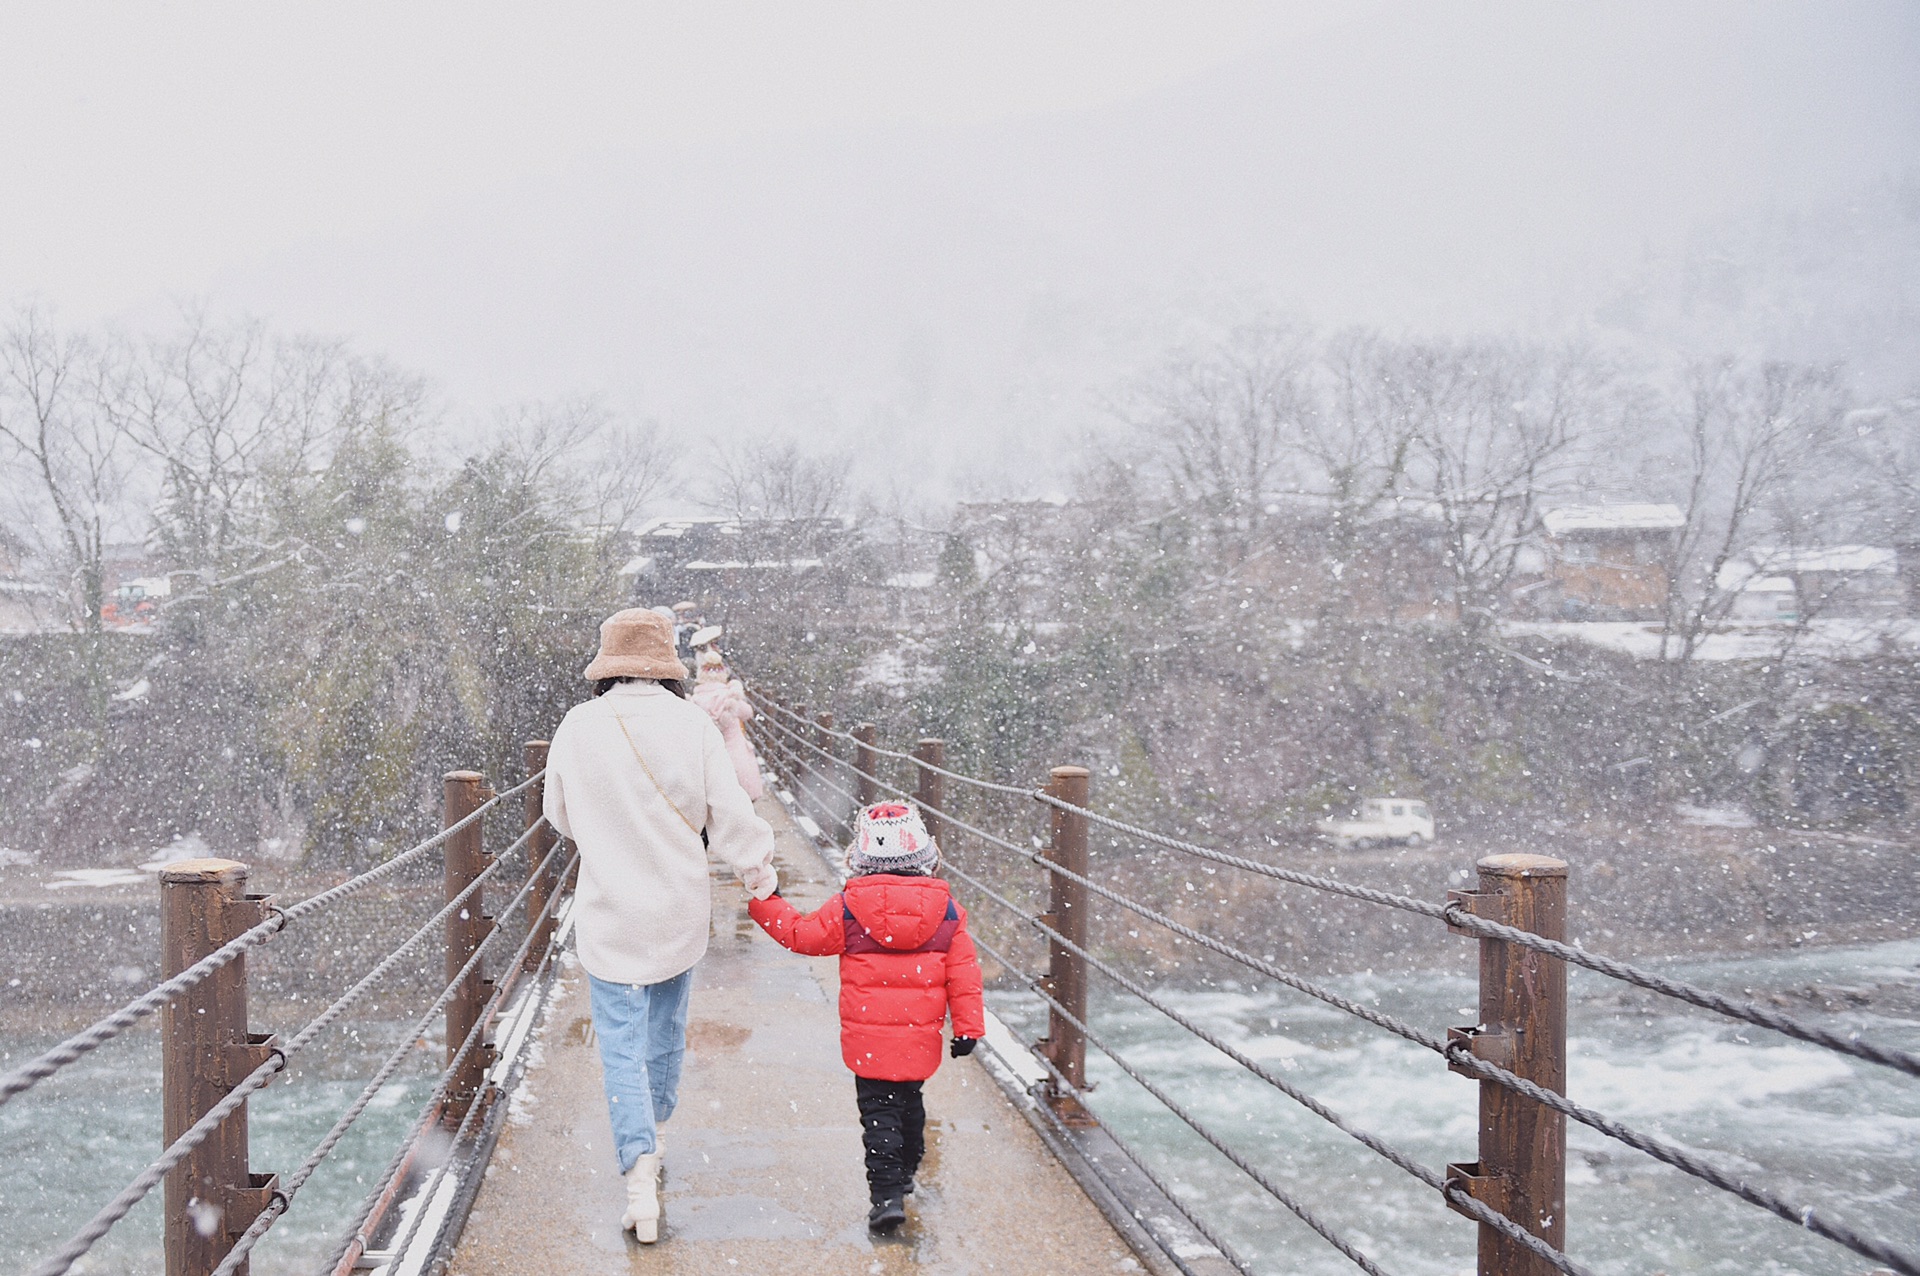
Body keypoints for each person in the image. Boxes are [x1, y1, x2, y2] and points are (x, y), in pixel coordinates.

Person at [543, 607, 780, 1243]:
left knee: (618, 1041)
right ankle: (660, 1135)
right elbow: (728, 809)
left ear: (606, 666)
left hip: (609, 909)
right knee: (665, 1031)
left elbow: (558, 814)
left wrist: (608, 825)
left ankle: (638, 1178)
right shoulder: (690, 723)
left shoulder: (577, 725)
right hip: (678, 907)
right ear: (667, 666)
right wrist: (760, 873)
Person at [747, 802, 985, 1234]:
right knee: (910, 1104)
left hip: (869, 1040)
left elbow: (801, 936)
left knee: (878, 1116)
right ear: (925, 855)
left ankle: (886, 1197)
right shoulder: (947, 911)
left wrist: (768, 902)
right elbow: (963, 973)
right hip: (919, 1036)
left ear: (860, 856)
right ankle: (909, 1167)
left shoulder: (849, 908)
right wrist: (968, 1028)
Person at [690, 648, 763, 799]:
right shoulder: (730, 696)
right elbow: (747, 712)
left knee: (714, 799)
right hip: (735, 758)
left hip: (709, 760)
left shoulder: (695, 699)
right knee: (742, 799)